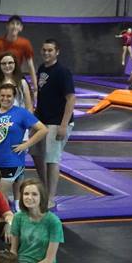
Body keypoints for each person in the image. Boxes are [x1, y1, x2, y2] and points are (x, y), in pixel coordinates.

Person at [31, 39, 76, 208]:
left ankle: (50, 197)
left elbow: (71, 98)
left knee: (51, 159)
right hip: (42, 120)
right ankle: (44, 187)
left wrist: (63, 125)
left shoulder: (63, 72)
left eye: (50, 50)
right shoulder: (42, 68)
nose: (46, 53)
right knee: (35, 153)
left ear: (57, 52)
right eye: (44, 50)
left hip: (56, 122)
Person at [0, 84, 48, 200]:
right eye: (2, 95)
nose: (5, 98)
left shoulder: (21, 113)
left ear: (14, 97)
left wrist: (26, 145)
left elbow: (43, 129)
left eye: (9, 96)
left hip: (12, 161)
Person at [10, 178, 63, 263]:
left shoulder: (53, 222)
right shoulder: (18, 217)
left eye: (34, 194)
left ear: (41, 197)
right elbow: (13, 250)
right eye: (26, 194)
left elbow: (49, 260)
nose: (29, 197)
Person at [0, 15, 37, 101]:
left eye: (17, 24)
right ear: (7, 26)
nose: (14, 26)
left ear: (21, 28)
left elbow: (30, 65)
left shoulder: (25, 43)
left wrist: (35, 88)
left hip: (16, 75)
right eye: (12, 23)